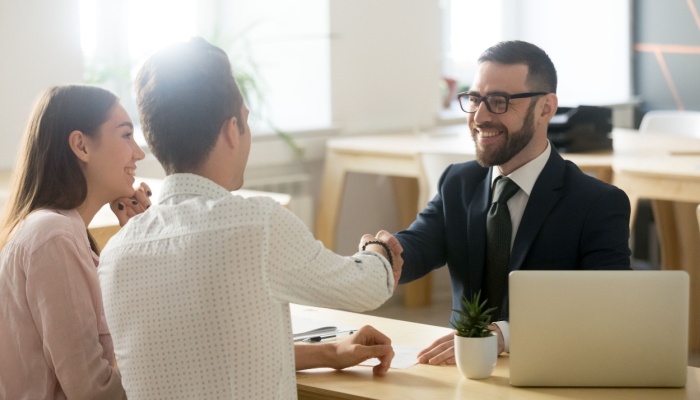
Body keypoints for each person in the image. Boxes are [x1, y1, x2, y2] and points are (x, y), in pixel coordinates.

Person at [97, 37, 403, 399]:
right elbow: (367, 287)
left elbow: (206, 355)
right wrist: (378, 250)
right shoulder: (258, 225)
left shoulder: (114, 256)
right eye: (246, 120)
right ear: (231, 130)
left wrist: (329, 351)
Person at [393, 40, 631, 365]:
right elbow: (419, 244)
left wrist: (503, 335)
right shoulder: (458, 182)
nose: (479, 116)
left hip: (551, 369)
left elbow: (607, 307)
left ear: (546, 108)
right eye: (475, 99)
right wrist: (382, 253)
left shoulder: (598, 204)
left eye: (499, 102)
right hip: (461, 370)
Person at [0, 85, 152, 399]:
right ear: (81, 145)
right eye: (126, 135)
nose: (139, 153)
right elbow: (91, 390)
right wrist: (170, 381)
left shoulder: (57, 232)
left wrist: (135, 246)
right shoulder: (53, 235)